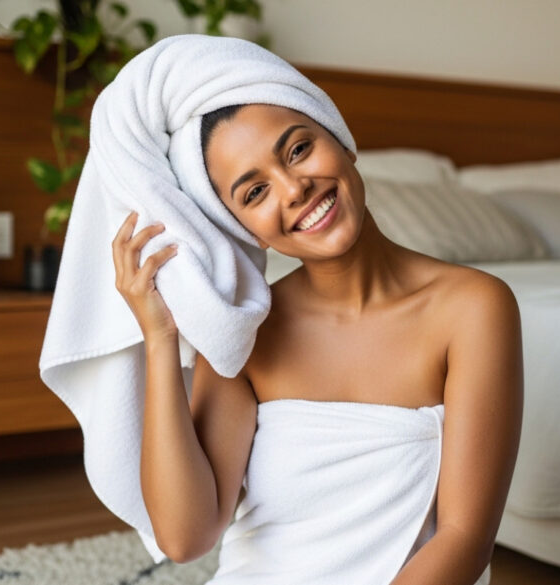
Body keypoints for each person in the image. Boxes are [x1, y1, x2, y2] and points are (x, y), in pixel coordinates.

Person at [110, 100, 522, 584]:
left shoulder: (472, 307)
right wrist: (160, 339)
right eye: (255, 191)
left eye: (299, 149)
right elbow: (185, 538)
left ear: (343, 142)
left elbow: (464, 537)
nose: (294, 189)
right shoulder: (247, 333)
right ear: (244, 229)